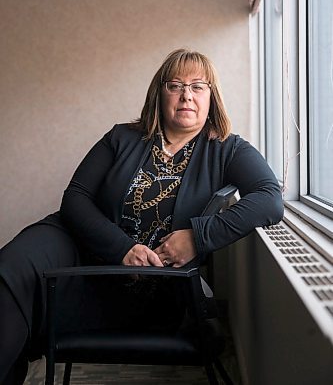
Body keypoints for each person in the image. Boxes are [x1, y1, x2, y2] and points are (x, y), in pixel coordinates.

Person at [0, 48, 284, 384]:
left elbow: (269, 199)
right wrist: (122, 248)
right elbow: (75, 199)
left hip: (152, 283)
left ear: (212, 96)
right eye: (175, 85)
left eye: (198, 86)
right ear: (159, 93)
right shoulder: (122, 137)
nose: (186, 95)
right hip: (76, 247)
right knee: (11, 269)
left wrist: (197, 236)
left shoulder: (227, 149)